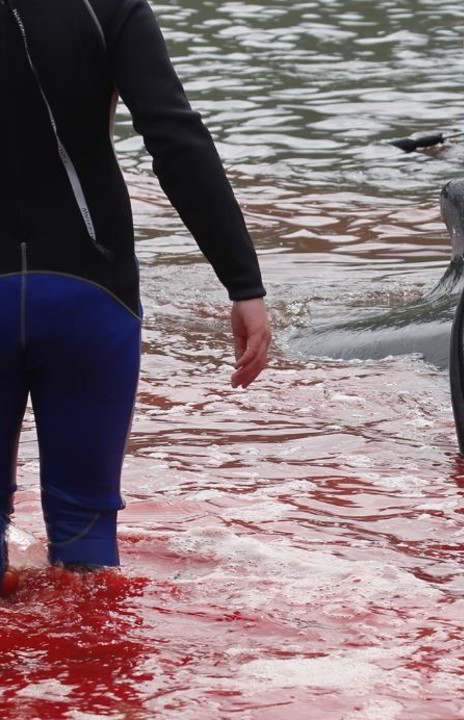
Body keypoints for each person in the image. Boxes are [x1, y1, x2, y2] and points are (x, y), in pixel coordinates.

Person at [0, 0, 270, 586]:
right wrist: (242, 283)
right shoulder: (109, 7)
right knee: (85, 543)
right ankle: (92, 671)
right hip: (90, 293)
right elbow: (176, 137)